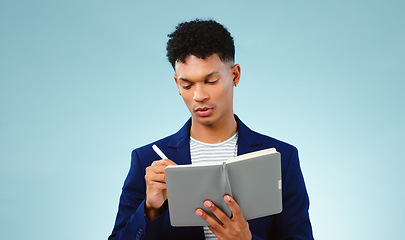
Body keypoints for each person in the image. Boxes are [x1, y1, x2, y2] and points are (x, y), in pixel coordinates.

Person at [109, 19, 314, 240]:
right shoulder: (147, 160)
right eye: (187, 85)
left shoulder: (282, 158)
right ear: (177, 84)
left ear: (235, 75)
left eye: (211, 81)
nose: (199, 96)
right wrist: (150, 210)